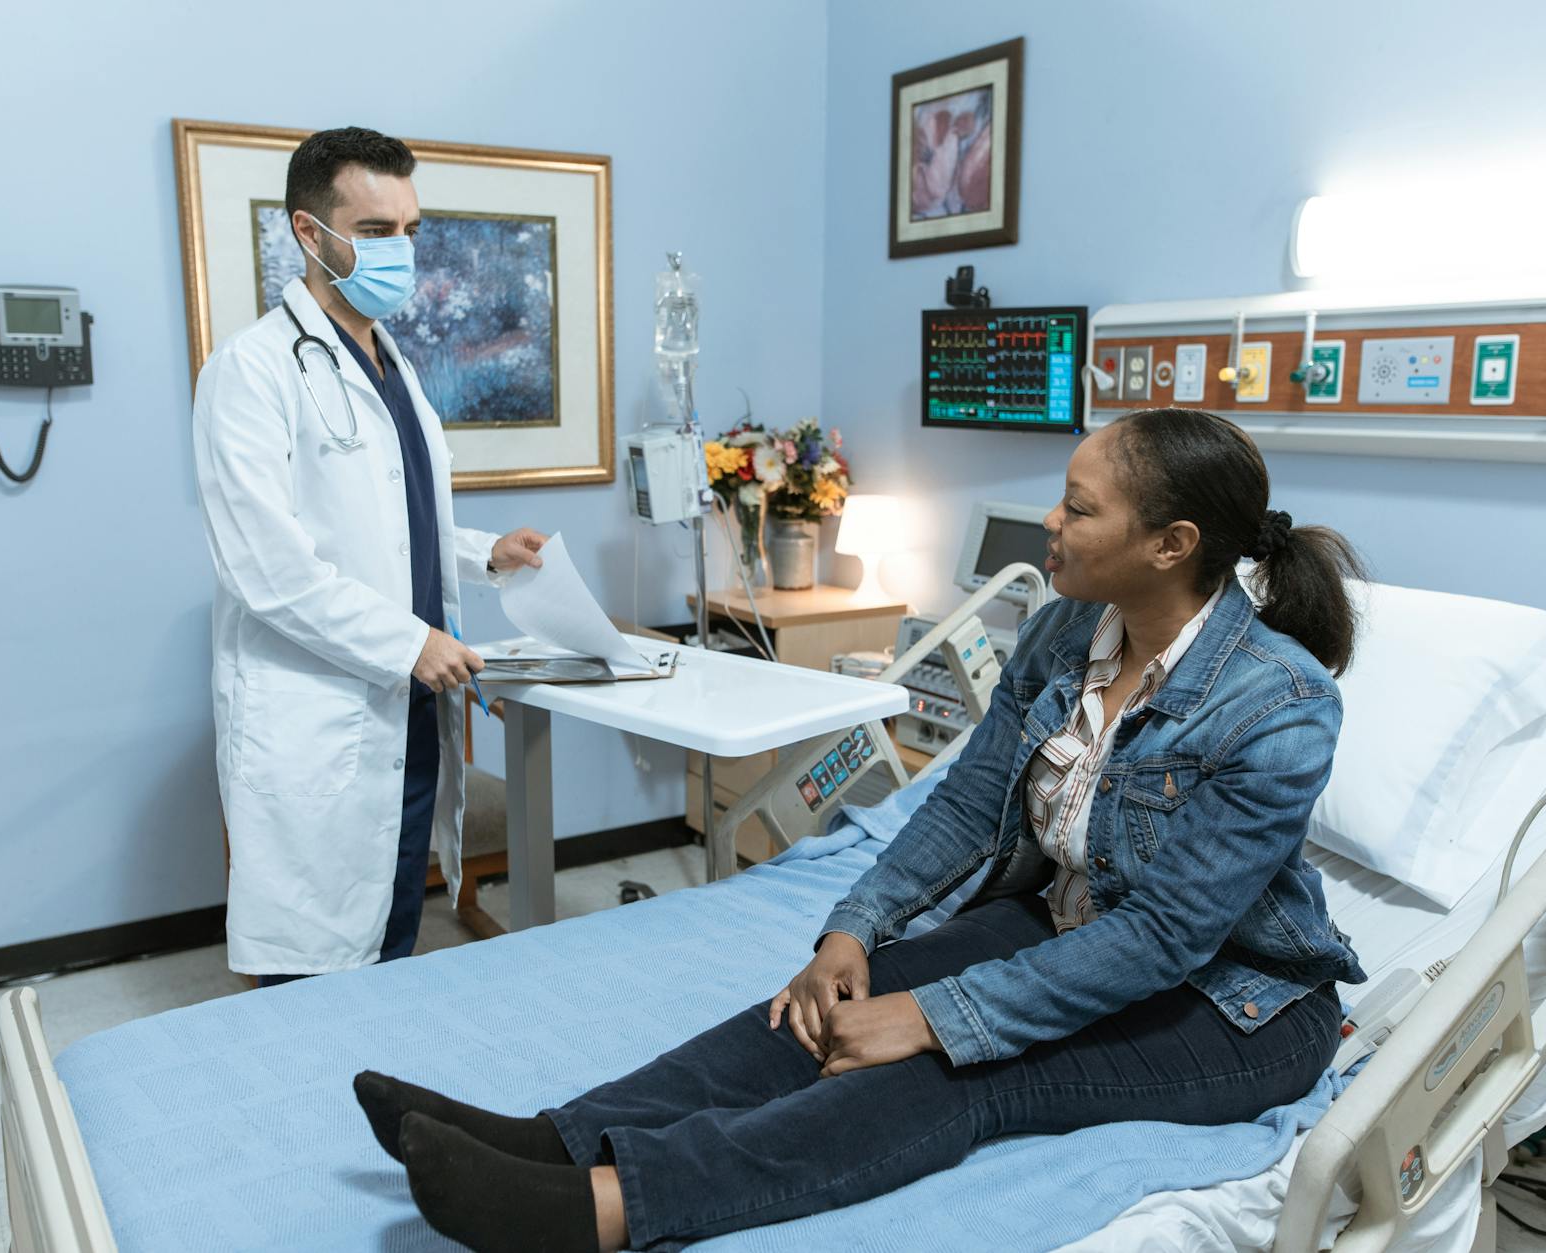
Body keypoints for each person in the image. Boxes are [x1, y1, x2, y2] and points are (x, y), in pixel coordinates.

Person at [352, 406, 1372, 1252]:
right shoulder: (1072, 629)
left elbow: (1162, 937)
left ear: (1170, 543)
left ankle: (603, 1209)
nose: (1047, 524)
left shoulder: (1275, 703)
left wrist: (934, 1017)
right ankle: (558, 1138)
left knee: (951, 1063)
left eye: (1076, 506)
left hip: (1231, 1004)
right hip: (1066, 925)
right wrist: (855, 928)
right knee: (820, 1006)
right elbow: (971, 799)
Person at [192, 127, 547, 985]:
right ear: (310, 234)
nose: (403, 251)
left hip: (406, 707)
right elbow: (268, 569)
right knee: (311, 973)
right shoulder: (250, 372)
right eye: (378, 230)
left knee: (391, 938)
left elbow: (393, 526)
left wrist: (481, 553)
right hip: (328, 711)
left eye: (411, 229)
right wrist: (408, 644)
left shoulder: (397, 366)